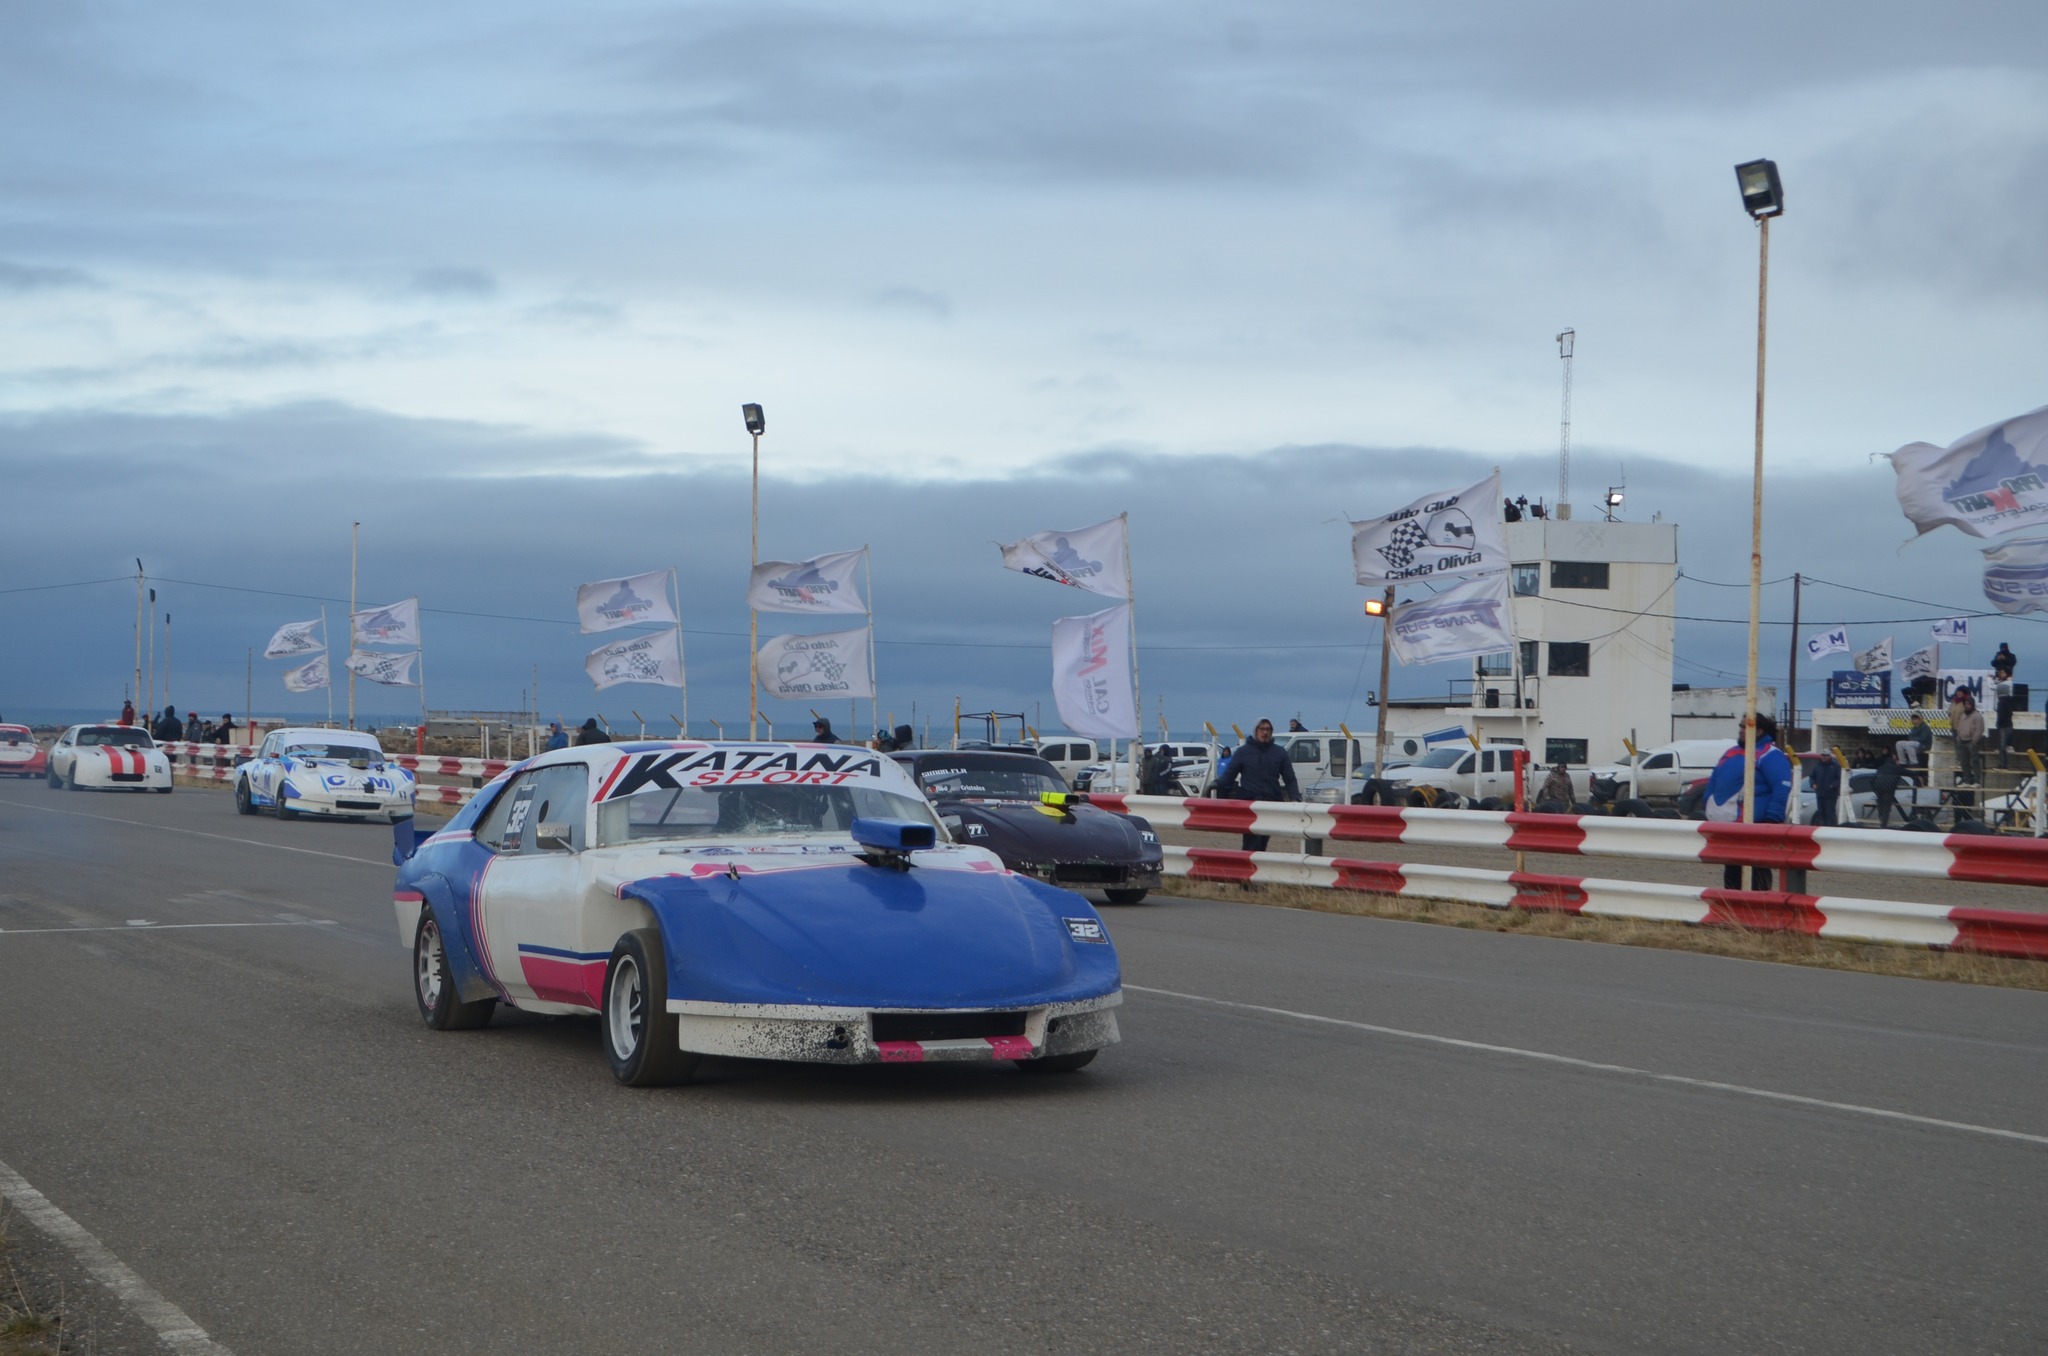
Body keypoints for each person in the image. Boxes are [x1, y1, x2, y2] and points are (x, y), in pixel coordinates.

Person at [1702, 713, 1793, 890]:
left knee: (1757, 873)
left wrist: (1772, 819)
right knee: (1732, 873)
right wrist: (1707, 802)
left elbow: (1781, 788)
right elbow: (1714, 779)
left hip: (1756, 827)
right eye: (1741, 726)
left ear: (1759, 731)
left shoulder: (1770, 755)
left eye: (1746, 727)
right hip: (1731, 828)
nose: (1741, 730)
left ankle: (1760, 911)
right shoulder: (1731, 752)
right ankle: (1733, 912)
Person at [1213, 718, 1300, 851]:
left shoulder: (1279, 752)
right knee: (1251, 842)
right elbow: (1229, 776)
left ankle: (1255, 868)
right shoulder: (1243, 752)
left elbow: (1290, 778)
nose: (1265, 732)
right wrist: (1214, 785)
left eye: (1268, 729)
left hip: (1270, 803)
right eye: (1262, 729)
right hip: (1249, 804)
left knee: (1262, 841)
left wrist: (1295, 796)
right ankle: (1248, 868)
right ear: (1255, 731)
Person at [1950, 688, 1985, 786]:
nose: (1967, 706)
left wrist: (1974, 741)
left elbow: (1980, 729)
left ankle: (1977, 781)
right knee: (1964, 763)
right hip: (1962, 741)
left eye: (1968, 704)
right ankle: (1967, 780)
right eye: (1965, 704)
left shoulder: (1977, 715)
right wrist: (1959, 737)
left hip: (1971, 742)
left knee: (1975, 762)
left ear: (1972, 705)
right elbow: (1960, 727)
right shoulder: (1962, 715)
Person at [1870, 753, 1906, 829]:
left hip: (1879, 788)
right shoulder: (1896, 768)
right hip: (1889, 789)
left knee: (1880, 805)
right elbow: (1908, 772)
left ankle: (1881, 818)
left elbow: (1873, 779)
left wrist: (1874, 788)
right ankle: (1883, 825)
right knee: (1886, 807)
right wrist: (1918, 773)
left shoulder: (1881, 768)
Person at [1807, 751, 1842, 828]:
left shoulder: (1836, 766)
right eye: (1823, 755)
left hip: (1831, 795)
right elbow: (1812, 777)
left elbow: (1840, 779)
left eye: (1826, 755)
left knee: (1830, 813)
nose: (1824, 757)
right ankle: (1822, 828)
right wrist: (1813, 784)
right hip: (1820, 794)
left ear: (1830, 756)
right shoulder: (1818, 766)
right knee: (1821, 814)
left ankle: (1832, 829)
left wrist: (1833, 785)